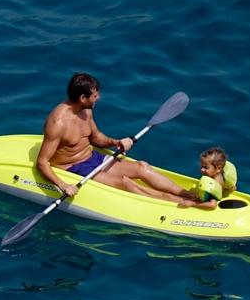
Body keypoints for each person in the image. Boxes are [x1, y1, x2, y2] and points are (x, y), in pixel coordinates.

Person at [36, 72, 190, 202]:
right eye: (95, 96)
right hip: (72, 167)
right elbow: (42, 162)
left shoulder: (86, 110)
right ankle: (174, 204)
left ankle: (187, 194)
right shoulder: (58, 123)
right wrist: (63, 185)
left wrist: (116, 142)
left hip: (92, 158)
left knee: (142, 167)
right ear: (83, 98)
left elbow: (95, 137)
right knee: (125, 183)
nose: (98, 98)